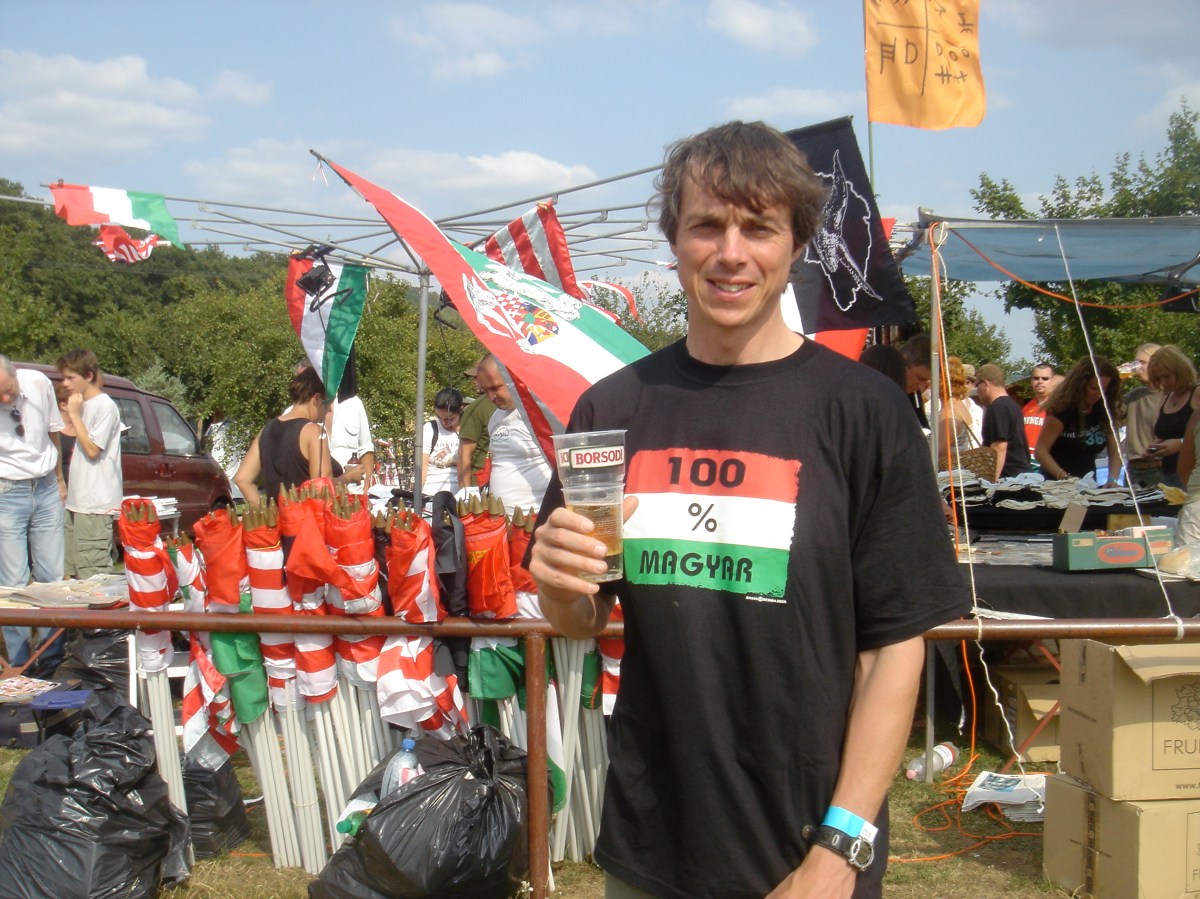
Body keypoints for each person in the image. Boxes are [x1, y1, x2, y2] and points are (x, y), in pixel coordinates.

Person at [528, 121, 968, 899]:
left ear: (795, 244)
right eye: (707, 224)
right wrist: (558, 584)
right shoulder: (612, 411)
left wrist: (839, 850)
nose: (731, 252)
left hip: (809, 851)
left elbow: (894, 649)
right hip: (655, 849)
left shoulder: (863, 411)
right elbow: (581, 616)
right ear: (675, 240)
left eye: (759, 227)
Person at [0, 355, 67, 668]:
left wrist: (60, 479)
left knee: (53, 578)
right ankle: (19, 664)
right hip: (7, 490)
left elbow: (54, 432)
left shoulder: (39, 383)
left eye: (7, 390)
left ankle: (52, 660)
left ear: (15, 376)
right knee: (13, 582)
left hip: (46, 486)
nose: (4, 399)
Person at [234, 366, 360, 505]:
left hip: (278, 517)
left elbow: (242, 479)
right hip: (307, 516)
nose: (329, 409)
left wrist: (267, 512)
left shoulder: (267, 429)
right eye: (327, 403)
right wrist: (348, 477)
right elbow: (322, 486)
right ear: (317, 398)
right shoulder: (314, 432)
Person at [57, 349, 122, 580]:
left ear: (89, 375)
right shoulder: (84, 405)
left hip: (95, 505)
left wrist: (74, 416)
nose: (65, 383)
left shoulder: (105, 406)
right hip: (77, 502)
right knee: (70, 572)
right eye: (64, 378)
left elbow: (93, 450)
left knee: (92, 576)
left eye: (70, 378)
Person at [473, 354, 551, 514]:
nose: (490, 397)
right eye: (485, 390)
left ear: (513, 379)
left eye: (495, 388)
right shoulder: (495, 418)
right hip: (501, 519)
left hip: (537, 516)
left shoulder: (541, 416)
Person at [1034, 356, 1123, 484]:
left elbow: (1115, 450)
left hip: (1088, 483)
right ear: (1080, 385)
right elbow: (1040, 451)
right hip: (1056, 483)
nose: (1098, 394)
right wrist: (1064, 477)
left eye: (1103, 389)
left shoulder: (1104, 410)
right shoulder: (1061, 410)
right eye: (1093, 388)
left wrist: (1112, 479)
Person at [1145, 345, 1200, 489]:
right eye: (1158, 378)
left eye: (1166, 376)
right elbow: (1166, 433)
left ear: (1180, 371)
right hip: (1169, 475)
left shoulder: (1197, 393)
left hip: (1194, 476)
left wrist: (1181, 443)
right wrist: (1156, 446)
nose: (1163, 382)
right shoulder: (1166, 397)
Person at [974, 364, 1032, 480]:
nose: (977, 391)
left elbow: (999, 446)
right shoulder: (1012, 405)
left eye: (977, 386)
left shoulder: (998, 407)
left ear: (985, 384)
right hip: (1021, 475)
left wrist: (992, 480)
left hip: (1009, 477)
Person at [1122, 342, 1162, 487]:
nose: (1138, 367)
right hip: (1133, 472)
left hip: (1162, 470)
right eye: (1136, 363)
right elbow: (1109, 415)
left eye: (1143, 362)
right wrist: (1119, 382)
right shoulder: (1135, 395)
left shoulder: (1172, 396)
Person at [457, 359, 497, 490]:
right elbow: (464, 454)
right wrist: (466, 493)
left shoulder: (510, 405)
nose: (473, 382)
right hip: (479, 485)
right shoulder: (475, 408)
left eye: (476, 377)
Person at [327, 392, 375, 495]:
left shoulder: (354, 403)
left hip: (353, 493)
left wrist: (365, 491)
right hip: (320, 495)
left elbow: (366, 449)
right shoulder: (305, 408)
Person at [421, 387, 463, 497]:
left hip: (458, 494)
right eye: (439, 417)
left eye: (450, 419)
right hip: (430, 493)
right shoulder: (429, 428)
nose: (444, 422)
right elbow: (422, 468)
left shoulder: (468, 428)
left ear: (460, 410)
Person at [1022, 363, 1055, 465]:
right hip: (1027, 461)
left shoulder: (1058, 408)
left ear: (1052, 381)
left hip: (1048, 462)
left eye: (1045, 378)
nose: (1040, 382)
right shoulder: (1025, 409)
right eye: (1036, 378)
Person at [899, 333, 932, 430]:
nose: (924, 385)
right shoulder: (882, 399)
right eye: (920, 378)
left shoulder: (914, 396)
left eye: (928, 380)